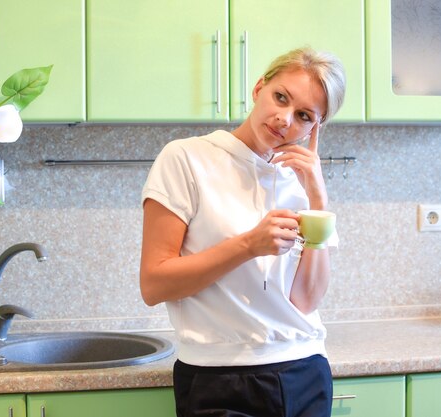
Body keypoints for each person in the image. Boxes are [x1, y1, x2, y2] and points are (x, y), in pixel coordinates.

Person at [140, 46, 346, 417]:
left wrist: (318, 198)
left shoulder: (301, 181)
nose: (284, 119)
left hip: (306, 369)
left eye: (303, 116)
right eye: (280, 97)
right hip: (219, 376)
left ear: (316, 127)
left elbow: (306, 300)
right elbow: (154, 285)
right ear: (258, 89)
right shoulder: (187, 158)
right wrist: (249, 244)